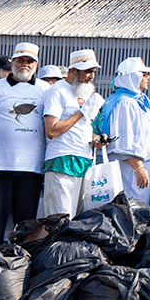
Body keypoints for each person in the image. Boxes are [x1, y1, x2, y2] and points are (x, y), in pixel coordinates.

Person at [0, 43, 44, 246]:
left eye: (29, 61)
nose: (24, 65)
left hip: (32, 170)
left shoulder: (45, 89)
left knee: (26, 229)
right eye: (20, 60)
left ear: (36, 65)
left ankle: (21, 263)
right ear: (12, 62)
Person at [37, 50, 104, 218]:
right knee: (60, 221)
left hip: (84, 161)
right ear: (73, 70)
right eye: (87, 71)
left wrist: (96, 139)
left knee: (79, 222)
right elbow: (51, 131)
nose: (91, 76)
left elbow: (82, 128)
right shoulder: (57, 91)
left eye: (94, 72)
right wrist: (82, 112)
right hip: (61, 162)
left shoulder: (85, 91)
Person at [100, 58, 150, 205]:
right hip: (132, 169)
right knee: (134, 208)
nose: (148, 77)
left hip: (139, 167)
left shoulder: (135, 101)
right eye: (144, 74)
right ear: (134, 77)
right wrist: (138, 167)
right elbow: (124, 141)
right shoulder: (125, 103)